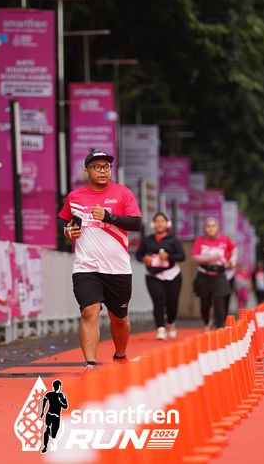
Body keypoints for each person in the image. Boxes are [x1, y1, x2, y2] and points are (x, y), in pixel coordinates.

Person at [58, 150, 143, 372]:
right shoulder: (75, 197)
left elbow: (136, 223)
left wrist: (109, 217)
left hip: (117, 268)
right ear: (86, 171)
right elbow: (62, 220)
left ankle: (120, 354)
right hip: (86, 267)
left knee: (119, 319)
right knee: (89, 312)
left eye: (106, 166)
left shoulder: (122, 193)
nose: (103, 171)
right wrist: (67, 231)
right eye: (97, 167)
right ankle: (90, 364)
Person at [135, 212, 186, 340]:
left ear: (167, 224)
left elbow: (182, 256)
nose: (159, 224)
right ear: (153, 224)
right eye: (157, 221)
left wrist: (168, 256)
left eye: (162, 221)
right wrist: (144, 259)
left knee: (172, 302)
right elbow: (138, 254)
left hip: (172, 274)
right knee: (158, 300)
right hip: (153, 275)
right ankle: (160, 328)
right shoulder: (147, 240)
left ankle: (171, 322)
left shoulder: (173, 240)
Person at [192, 217, 236, 331]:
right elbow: (195, 258)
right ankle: (206, 323)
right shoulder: (200, 241)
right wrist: (210, 257)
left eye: (213, 226)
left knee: (219, 300)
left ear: (218, 227)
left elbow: (234, 249)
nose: (211, 228)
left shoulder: (225, 239)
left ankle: (219, 327)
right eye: (208, 226)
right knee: (205, 303)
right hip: (204, 275)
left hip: (219, 275)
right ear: (204, 228)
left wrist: (233, 260)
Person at [39, 379, 68, 454]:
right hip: (53, 415)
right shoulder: (53, 394)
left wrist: (42, 412)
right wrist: (42, 411)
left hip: (52, 415)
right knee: (48, 430)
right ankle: (45, 446)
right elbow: (44, 401)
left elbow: (65, 406)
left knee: (52, 434)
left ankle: (48, 435)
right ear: (59, 386)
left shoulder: (61, 395)